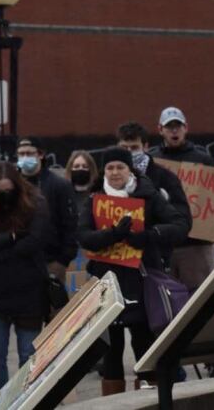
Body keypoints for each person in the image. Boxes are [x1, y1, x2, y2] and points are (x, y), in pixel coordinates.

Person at [76, 147, 188, 395]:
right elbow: (84, 237)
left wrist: (149, 235)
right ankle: (115, 401)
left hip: (142, 282)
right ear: (104, 171)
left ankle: (150, 397)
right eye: (110, 168)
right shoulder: (95, 200)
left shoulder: (149, 196)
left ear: (130, 170)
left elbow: (180, 225)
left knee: (144, 345)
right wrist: (112, 235)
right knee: (111, 351)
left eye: (120, 167)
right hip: (107, 285)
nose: (115, 172)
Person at [149, 106, 214, 377]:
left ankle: (213, 357)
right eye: (169, 126)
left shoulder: (202, 159)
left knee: (202, 301)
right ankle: (174, 358)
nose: (174, 130)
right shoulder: (152, 161)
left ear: (186, 128)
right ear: (160, 130)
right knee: (168, 304)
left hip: (197, 245)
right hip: (166, 245)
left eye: (178, 125)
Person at [0, 162, 48, 391]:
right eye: (0, 191)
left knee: (28, 355)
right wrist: (11, 238)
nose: (5, 195)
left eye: (8, 189)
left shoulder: (36, 204)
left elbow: (35, 241)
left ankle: (28, 400)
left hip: (29, 290)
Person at [15, 137, 78, 282]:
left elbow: (70, 224)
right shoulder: (12, 184)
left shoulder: (59, 185)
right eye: (21, 154)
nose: (25, 158)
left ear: (40, 155)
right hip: (18, 262)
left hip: (51, 261)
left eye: (29, 153)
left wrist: (63, 261)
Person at [64, 150, 99, 219]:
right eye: (76, 166)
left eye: (85, 166)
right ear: (70, 169)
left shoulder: (98, 194)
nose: (80, 169)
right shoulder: (64, 194)